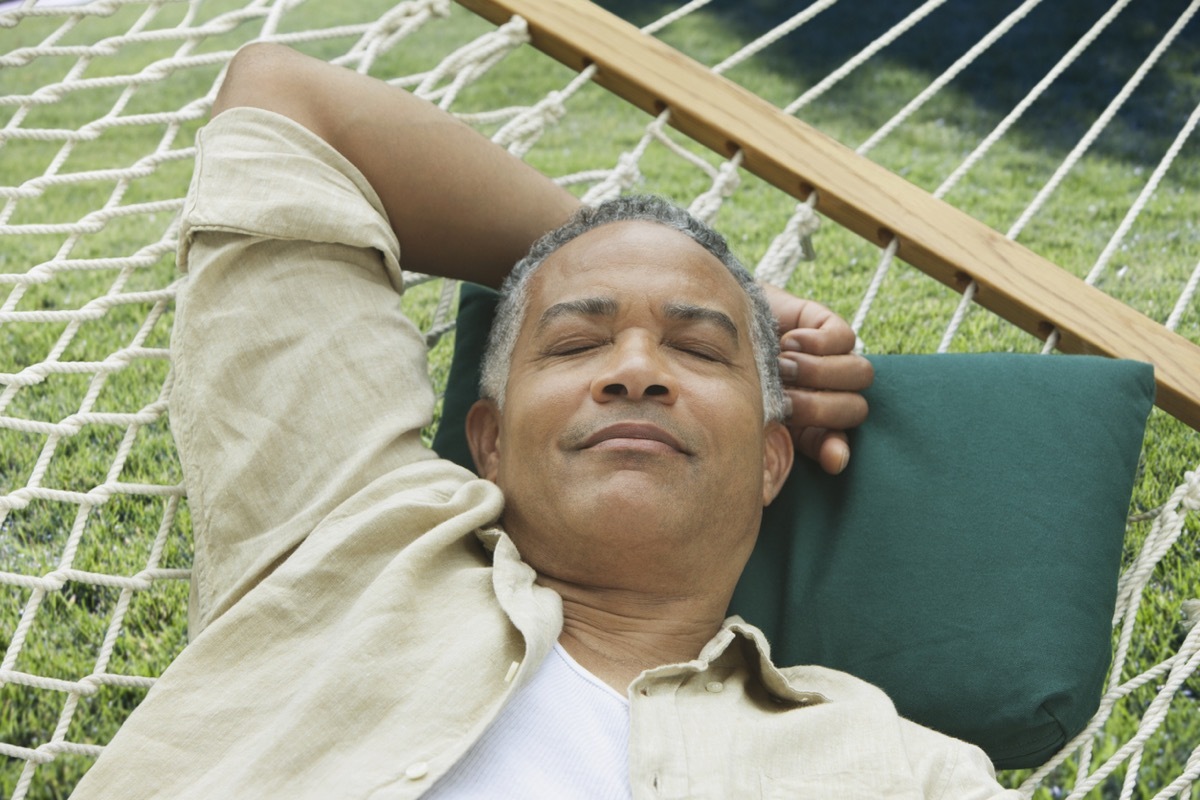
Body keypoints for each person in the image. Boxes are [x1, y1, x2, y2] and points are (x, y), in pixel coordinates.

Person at [70, 43, 1019, 799]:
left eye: (696, 349)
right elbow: (284, 100)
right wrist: (735, 298)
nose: (638, 372)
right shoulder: (351, 535)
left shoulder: (905, 771)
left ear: (775, 460)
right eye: (574, 347)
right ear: (487, 441)